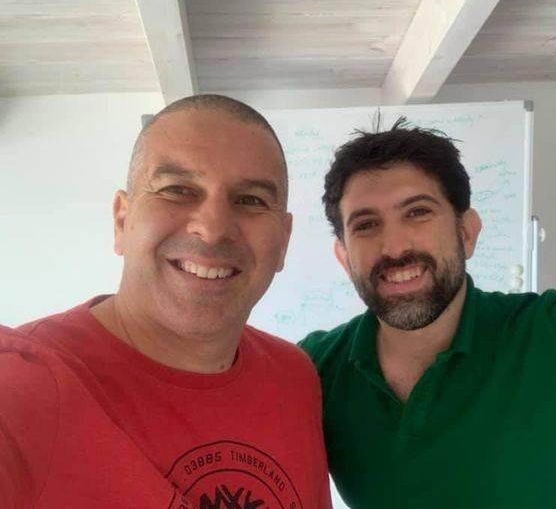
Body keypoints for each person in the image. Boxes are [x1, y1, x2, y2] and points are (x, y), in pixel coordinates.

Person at [299, 119, 556, 508]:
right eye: (366, 224)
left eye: (418, 212)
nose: (394, 246)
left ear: (466, 233)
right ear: (345, 257)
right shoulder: (311, 372)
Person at [0, 95, 332, 508]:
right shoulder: (23, 385)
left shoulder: (295, 378)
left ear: (282, 241)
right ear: (122, 220)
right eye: (177, 190)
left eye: (251, 200)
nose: (212, 228)